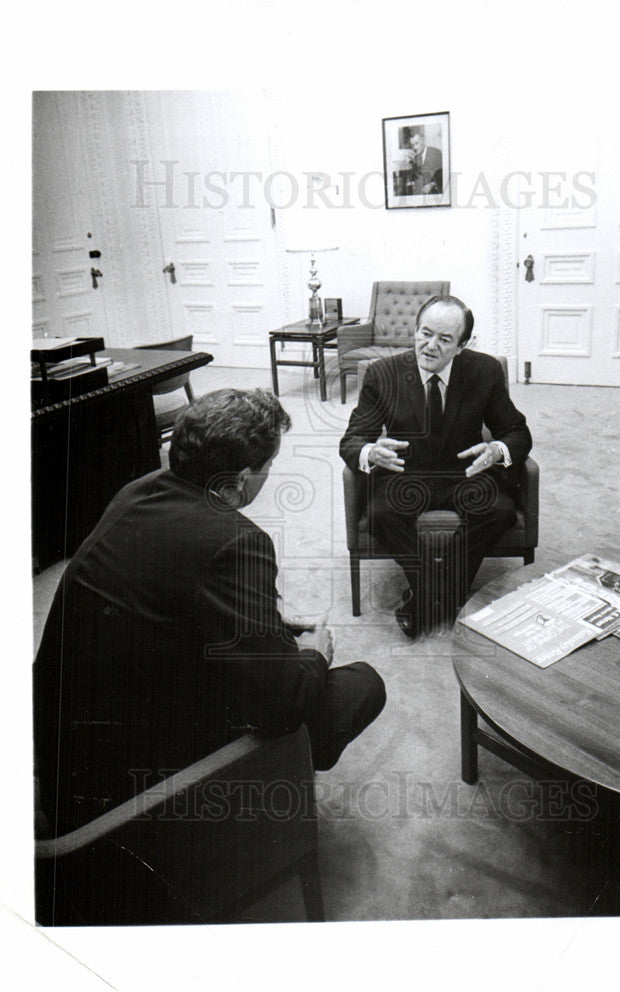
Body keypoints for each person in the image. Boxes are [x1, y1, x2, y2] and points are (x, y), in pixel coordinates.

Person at [34, 388, 385, 834]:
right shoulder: (237, 540)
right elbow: (280, 708)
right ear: (240, 479)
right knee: (359, 686)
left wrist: (268, 624)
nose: (270, 474)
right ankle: (251, 813)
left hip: (67, 756)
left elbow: (173, 601)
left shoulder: (136, 492)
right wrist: (316, 653)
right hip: (129, 798)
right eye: (269, 466)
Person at [340, 295, 532, 638]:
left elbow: (516, 430)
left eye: (444, 340)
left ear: (461, 346)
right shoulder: (383, 374)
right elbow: (352, 440)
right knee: (383, 514)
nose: (430, 346)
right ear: (415, 330)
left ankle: (427, 598)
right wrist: (371, 451)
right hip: (406, 473)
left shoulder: (484, 370)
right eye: (424, 334)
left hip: (464, 471)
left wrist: (496, 448)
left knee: (499, 510)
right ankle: (447, 596)